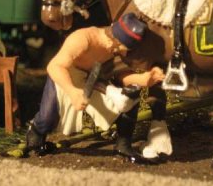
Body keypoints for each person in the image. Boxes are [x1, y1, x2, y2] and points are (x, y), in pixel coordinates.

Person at [26, 12, 165, 162]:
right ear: (114, 40)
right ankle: (35, 138)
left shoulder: (115, 49)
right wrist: (73, 92)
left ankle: (123, 146)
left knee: (128, 98)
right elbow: (54, 66)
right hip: (66, 75)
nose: (125, 53)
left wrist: (145, 79)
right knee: (48, 117)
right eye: (123, 48)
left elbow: (120, 75)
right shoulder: (83, 39)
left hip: (92, 80)